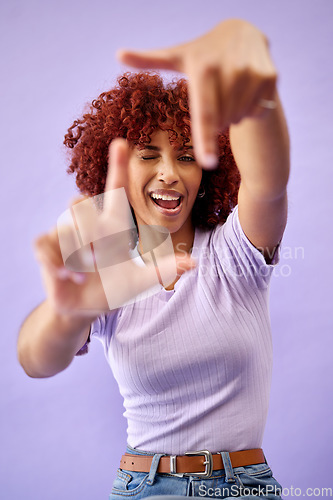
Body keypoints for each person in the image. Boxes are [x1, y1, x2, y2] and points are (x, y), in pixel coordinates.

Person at [17, 18, 289, 499]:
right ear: (115, 165)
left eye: (186, 155)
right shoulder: (108, 265)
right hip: (143, 487)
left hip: (243, 487)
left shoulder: (235, 254)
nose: (169, 173)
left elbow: (267, 184)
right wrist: (69, 311)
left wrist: (253, 86)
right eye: (148, 154)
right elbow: (36, 361)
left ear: (208, 169)